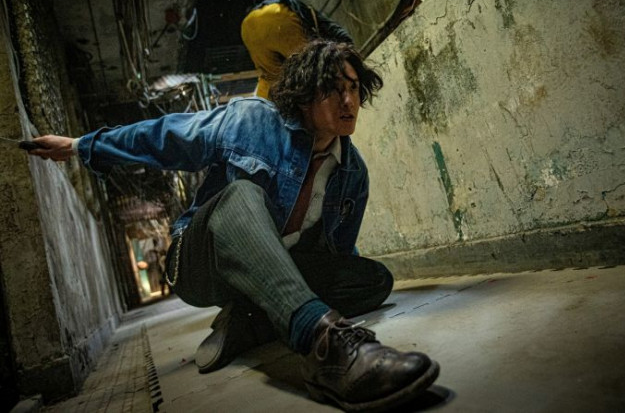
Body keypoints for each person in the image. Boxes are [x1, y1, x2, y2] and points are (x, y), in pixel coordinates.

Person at [28, 40, 440, 411]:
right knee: (242, 195)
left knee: (373, 279)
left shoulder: (353, 173)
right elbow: (165, 136)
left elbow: (336, 254)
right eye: (333, 89)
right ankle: (323, 343)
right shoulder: (251, 120)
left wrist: (344, 283)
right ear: (305, 93)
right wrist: (82, 145)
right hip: (201, 264)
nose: (348, 101)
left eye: (353, 88)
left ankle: (251, 319)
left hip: (273, 272)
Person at [241, 0, 353, 99]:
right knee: (308, 67)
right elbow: (335, 30)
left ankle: (265, 108)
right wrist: (350, 48)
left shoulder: (299, 11)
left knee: (272, 78)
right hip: (278, 17)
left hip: (247, 27)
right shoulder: (314, 18)